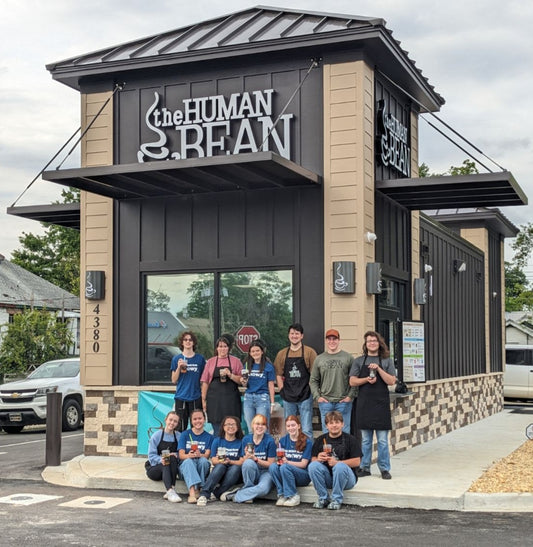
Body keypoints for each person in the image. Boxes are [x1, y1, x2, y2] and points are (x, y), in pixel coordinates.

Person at [349, 331, 397, 480]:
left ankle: (384, 468)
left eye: (374, 341)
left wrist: (378, 369)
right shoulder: (359, 361)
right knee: (366, 440)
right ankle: (365, 467)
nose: (372, 343)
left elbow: (391, 381)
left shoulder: (387, 361)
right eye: (369, 341)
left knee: (382, 440)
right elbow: (352, 381)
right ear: (365, 344)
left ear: (379, 343)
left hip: (381, 404)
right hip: (364, 403)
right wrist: (366, 380)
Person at [308, 410, 361, 510]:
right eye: (331, 423)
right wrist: (318, 458)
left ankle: (336, 500)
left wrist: (338, 462)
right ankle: (323, 498)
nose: (334, 425)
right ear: (327, 426)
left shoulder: (351, 439)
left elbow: (357, 461)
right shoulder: (320, 440)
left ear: (342, 424)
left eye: (337, 422)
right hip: (328, 478)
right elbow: (313, 459)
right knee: (313, 465)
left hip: (347, 479)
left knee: (339, 466)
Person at [274, 323, 317, 440]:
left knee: (307, 428)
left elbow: (314, 375)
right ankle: (290, 453)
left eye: (297, 333)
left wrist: (308, 390)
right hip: (288, 396)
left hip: (305, 395)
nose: (294, 336)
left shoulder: (309, 352)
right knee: (290, 427)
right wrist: (282, 390)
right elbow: (278, 374)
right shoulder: (282, 354)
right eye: (292, 333)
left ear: (302, 336)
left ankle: (308, 455)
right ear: (288, 335)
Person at [310, 329, 357, 433]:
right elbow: (313, 380)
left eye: (334, 339)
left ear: (339, 340)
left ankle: (343, 450)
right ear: (326, 341)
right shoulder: (319, 359)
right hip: (325, 402)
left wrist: (350, 396)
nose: (332, 341)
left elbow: (354, 379)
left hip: (343, 402)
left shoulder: (348, 358)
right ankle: (329, 450)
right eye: (329, 339)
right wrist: (318, 397)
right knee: (327, 432)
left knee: (344, 432)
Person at [221, 413, 276, 503]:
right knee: (248, 463)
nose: (260, 427)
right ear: (253, 426)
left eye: (263, 424)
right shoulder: (246, 439)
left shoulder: (270, 441)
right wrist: (247, 457)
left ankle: (237, 494)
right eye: (257, 424)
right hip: (252, 470)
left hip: (266, 472)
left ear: (266, 427)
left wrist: (256, 459)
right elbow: (244, 462)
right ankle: (248, 490)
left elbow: (270, 464)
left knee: (263, 489)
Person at [196, 415, 244, 506]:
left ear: (238, 427)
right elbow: (213, 460)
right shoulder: (217, 441)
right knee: (220, 466)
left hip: (234, 475)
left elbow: (242, 461)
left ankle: (216, 493)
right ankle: (204, 495)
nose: (230, 427)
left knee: (236, 468)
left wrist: (230, 461)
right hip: (219, 472)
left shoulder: (241, 442)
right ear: (223, 427)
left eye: (233, 424)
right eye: (228, 424)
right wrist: (221, 461)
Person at [201, 335, 243, 435]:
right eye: (220, 346)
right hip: (214, 401)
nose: (222, 349)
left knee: (233, 426)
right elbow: (205, 382)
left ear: (229, 348)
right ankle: (217, 449)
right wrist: (203, 400)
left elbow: (242, 380)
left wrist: (230, 375)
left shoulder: (236, 361)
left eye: (225, 346)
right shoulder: (210, 362)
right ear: (216, 348)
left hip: (231, 401)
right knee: (217, 430)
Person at [268, 415, 312, 507]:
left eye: (293, 425)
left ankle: (293, 495)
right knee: (273, 466)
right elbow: (280, 460)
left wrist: (287, 462)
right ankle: (282, 494)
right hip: (286, 471)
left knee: (285, 467)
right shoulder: (283, 440)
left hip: (303, 475)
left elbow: (303, 464)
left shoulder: (307, 441)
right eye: (288, 426)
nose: (291, 428)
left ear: (299, 426)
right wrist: (281, 461)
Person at [170, 331, 206, 432]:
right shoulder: (177, 358)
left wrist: (203, 398)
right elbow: (174, 380)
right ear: (182, 343)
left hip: (195, 396)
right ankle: (180, 447)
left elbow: (204, 380)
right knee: (180, 427)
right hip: (181, 396)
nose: (188, 342)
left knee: (196, 426)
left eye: (190, 340)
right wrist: (178, 367)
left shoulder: (200, 359)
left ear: (193, 342)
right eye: (185, 340)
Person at [178, 408, 213, 503]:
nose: (198, 421)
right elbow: (181, 455)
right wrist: (188, 455)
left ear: (204, 419)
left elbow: (207, 455)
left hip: (201, 466)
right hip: (186, 468)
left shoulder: (209, 437)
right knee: (188, 461)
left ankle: (198, 488)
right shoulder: (185, 434)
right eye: (195, 419)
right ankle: (193, 492)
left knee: (203, 461)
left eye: (200, 418)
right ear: (191, 421)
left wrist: (200, 454)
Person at [145, 411, 182, 503]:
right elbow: (151, 455)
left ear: (177, 424)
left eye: (175, 421)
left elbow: (181, 452)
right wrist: (160, 459)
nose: (172, 423)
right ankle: (169, 491)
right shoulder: (157, 435)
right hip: (155, 469)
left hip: (170, 469)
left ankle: (171, 488)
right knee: (165, 461)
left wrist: (175, 455)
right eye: (170, 420)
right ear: (166, 420)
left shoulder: (178, 436)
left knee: (171, 458)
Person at [242, 339, 276, 433]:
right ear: (249, 353)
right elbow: (244, 384)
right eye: (253, 351)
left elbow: (271, 384)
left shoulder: (268, 366)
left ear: (262, 351)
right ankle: (252, 447)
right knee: (251, 428)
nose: (255, 353)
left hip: (262, 398)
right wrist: (243, 381)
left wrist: (272, 403)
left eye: (257, 350)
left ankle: (263, 447)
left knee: (262, 427)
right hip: (248, 398)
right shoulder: (246, 365)